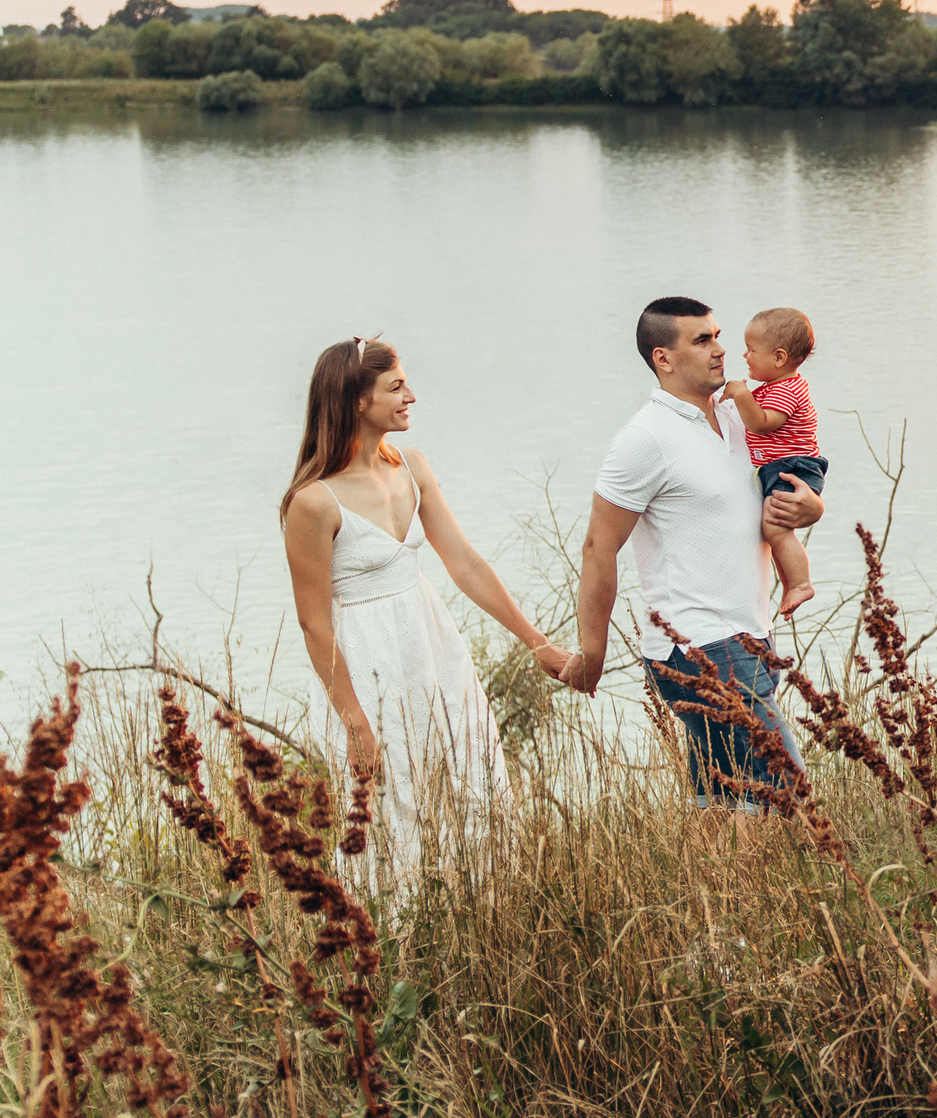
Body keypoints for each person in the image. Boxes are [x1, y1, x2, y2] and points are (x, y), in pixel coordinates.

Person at [282, 336, 570, 873]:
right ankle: (398, 947)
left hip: (434, 650)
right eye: (395, 387)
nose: (410, 394)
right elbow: (314, 624)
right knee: (393, 811)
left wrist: (539, 644)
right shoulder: (313, 502)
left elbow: (464, 563)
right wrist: (354, 724)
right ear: (355, 401)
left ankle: (486, 919)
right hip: (369, 666)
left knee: (474, 777)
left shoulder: (412, 467)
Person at [560, 297, 826, 816]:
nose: (721, 350)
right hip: (699, 646)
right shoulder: (645, 439)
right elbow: (598, 549)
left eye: (718, 335)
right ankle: (765, 895)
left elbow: (794, 471)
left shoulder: (739, 415)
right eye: (702, 340)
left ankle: (720, 899)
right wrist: (592, 656)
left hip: (750, 636)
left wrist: (813, 505)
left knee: (720, 807)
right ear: (664, 358)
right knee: (785, 799)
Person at [722, 306, 827, 620]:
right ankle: (790, 583)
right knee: (775, 530)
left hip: (794, 467)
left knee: (776, 527)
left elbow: (762, 424)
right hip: (784, 465)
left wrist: (741, 395)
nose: (745, 356)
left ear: (779, 358)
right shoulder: (779, 387)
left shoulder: (787, 390)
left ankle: (801, 583)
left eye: (751, 350)